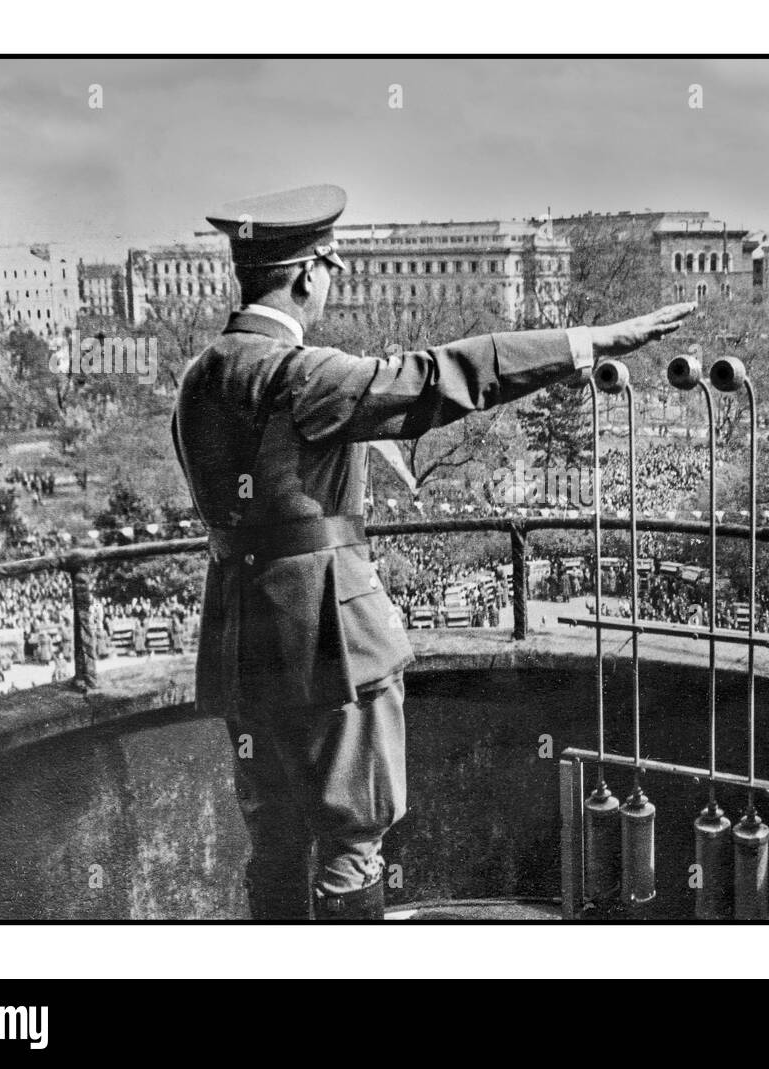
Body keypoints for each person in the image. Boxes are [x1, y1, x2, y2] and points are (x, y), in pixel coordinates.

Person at [172, 184, 692, 921]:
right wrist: (588, 342)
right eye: (331, 267)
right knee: (353, 839)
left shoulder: (197, 380)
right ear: (308, 273)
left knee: (276, 841)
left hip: (239, 644)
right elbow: (440, 375)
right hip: (328, 645)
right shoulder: (298, 374)